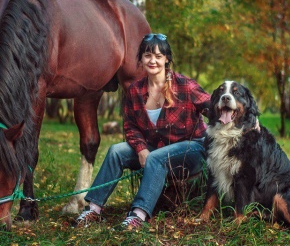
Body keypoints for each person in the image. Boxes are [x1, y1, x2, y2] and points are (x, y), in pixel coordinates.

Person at [73, 33, 211, 229]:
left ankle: (138, 215)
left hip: (191, 150)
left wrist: (246, 118)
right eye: (147, 55)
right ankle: (93, 209)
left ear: (167, 59)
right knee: (116, 151)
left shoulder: (185, 86)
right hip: (155, 149)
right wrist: (140, 149)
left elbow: (213, 107)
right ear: (141, 59)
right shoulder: (135, 90)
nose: (152, 60)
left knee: (156, 158)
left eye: (158, 56)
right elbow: (130, 126)